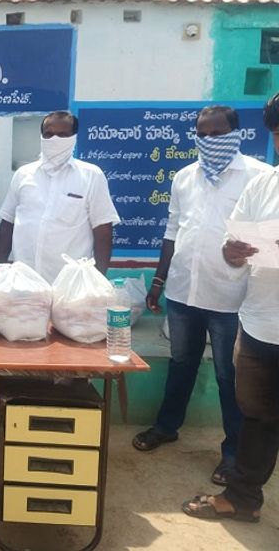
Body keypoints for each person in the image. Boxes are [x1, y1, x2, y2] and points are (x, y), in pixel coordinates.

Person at [133, 105, 271, 486]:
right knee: (181, 364)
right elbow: (173, 230)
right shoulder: (184, 177)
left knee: (230, 377)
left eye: (217, 133)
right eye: (202, 133)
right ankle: (166, 426)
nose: (209, 140)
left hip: (232, 298)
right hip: (182, 292)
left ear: (236, 134)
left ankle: (233, 454)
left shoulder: (258, 177)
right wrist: (158, 281)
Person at [182, 92, 279, 522]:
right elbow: (232, 246)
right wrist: (234, 252)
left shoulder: (251, 174)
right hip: (262, 325)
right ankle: (242, 498)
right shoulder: (265, 186)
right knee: (256, 418)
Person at [0, 110, 119, 283]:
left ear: (74, 137)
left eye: (63, 135)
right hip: (25, 283)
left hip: (70, 285)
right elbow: (7, 223)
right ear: (41, 137)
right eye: (49, 134)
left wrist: (98, 281)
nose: (54, 140)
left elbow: (103, 230)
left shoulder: (91, 176)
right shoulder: (23, 175)